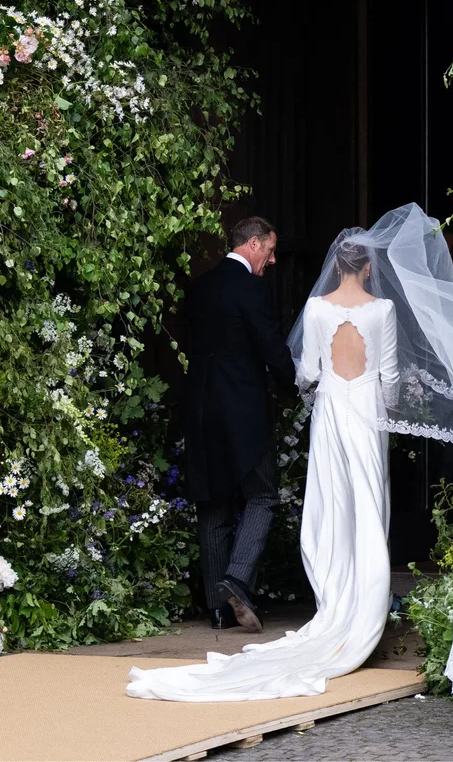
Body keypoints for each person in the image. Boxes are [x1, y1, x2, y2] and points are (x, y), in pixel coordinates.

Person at [129, 204, 453, 704]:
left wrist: (314, 391)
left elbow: (307, 371)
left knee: (317, 505)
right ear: (370, 267)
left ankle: (253, 602)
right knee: (364, 504)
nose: (271, 258)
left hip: (319, 411)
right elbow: (390, 377)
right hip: (363, 413)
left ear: (335, 265)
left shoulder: (305, 308)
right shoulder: (384, 310)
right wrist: (384, 404)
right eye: (268, 249)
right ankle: (356, 600)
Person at [181, 216, 297, 632]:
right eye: (269, 250)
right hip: (243, 413)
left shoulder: (200, 287)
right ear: (252, 243)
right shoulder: (251, 288)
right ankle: (236, 578)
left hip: (200, 411)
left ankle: (217, 610)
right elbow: (271, 347)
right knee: (262, 496)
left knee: (213, 503)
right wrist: (294, 385)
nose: (271, 260)